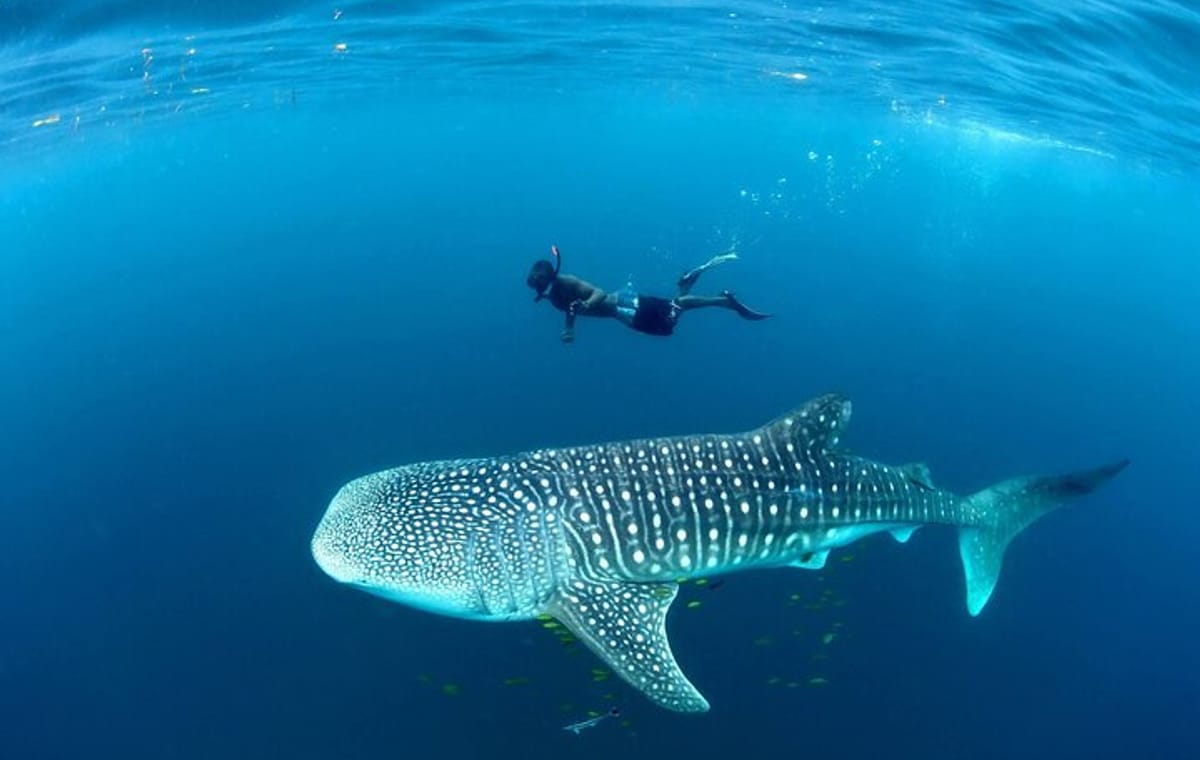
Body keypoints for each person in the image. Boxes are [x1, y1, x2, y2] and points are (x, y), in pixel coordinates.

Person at [527, 246, 770, 343]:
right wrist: (569, 328)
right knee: (671, 314)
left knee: (674, 311)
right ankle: (688, 280)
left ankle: (724, 301)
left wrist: (586, 304)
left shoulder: (567, 281)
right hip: (624, 311)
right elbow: (571, 311)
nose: (542, 292)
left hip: (626, 307)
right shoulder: (555, 298)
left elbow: (598, 293)